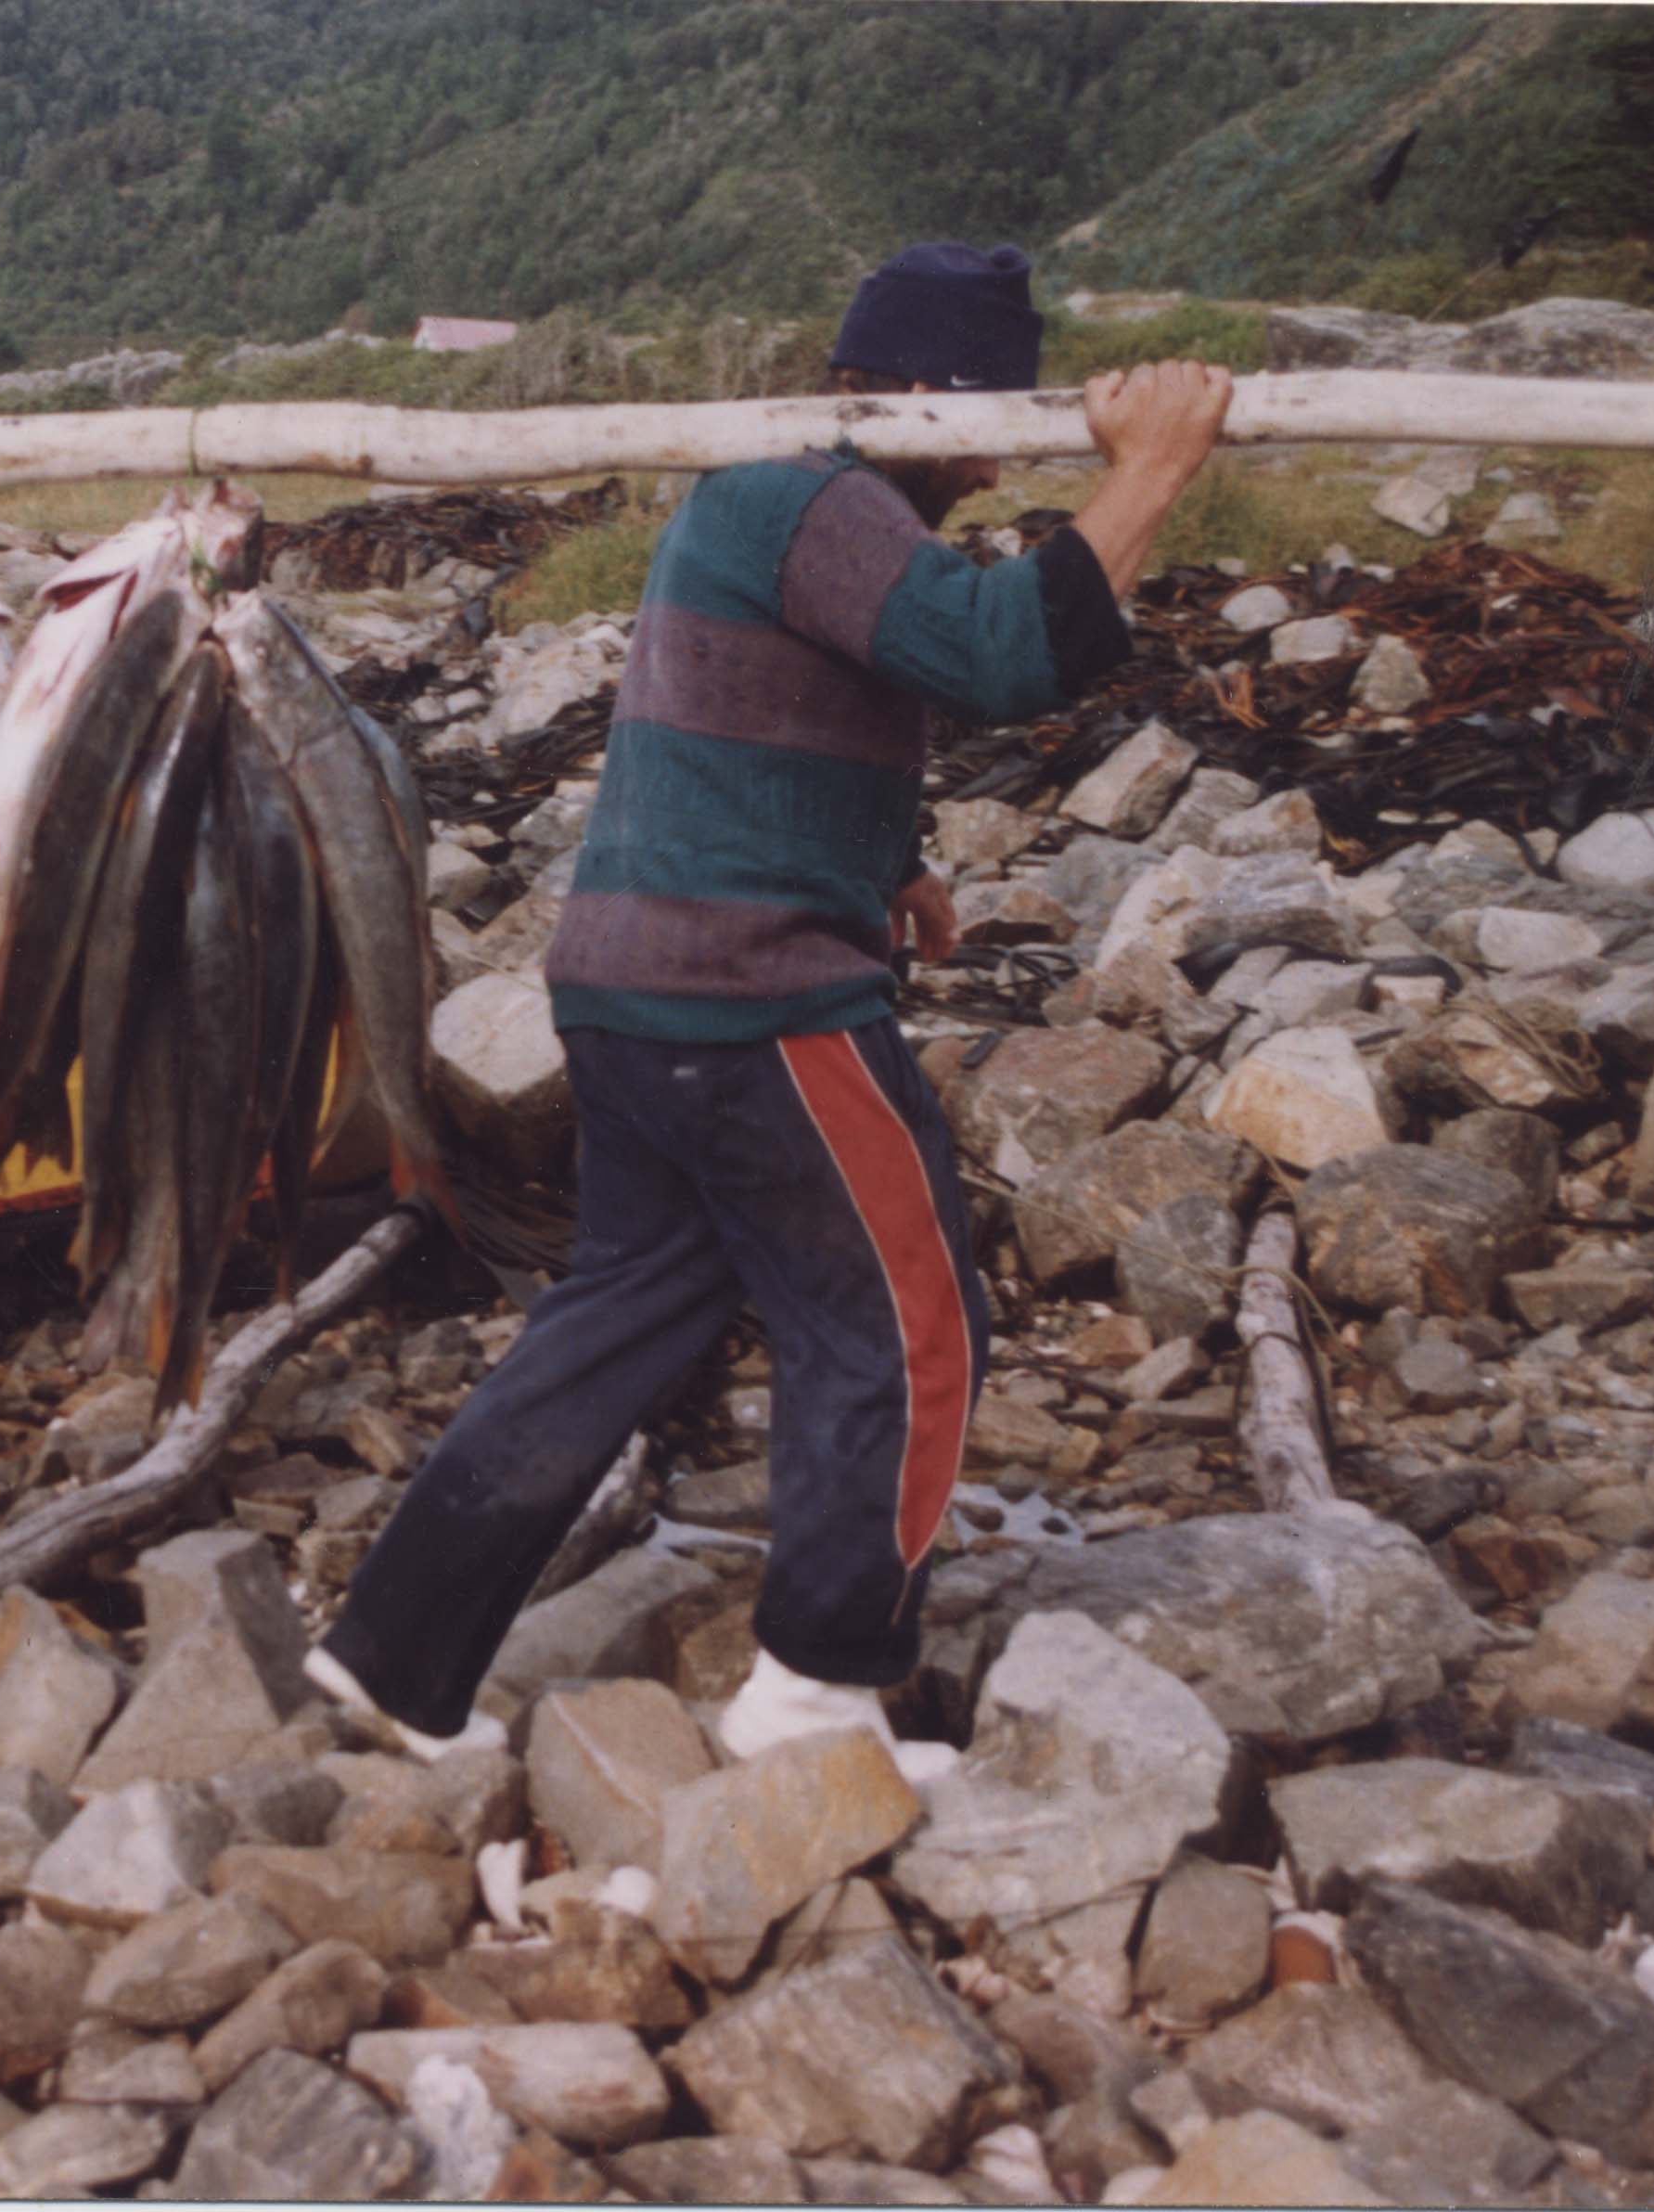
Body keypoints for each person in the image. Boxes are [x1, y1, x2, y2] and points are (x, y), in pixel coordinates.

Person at [309, 243, 1234, 1774]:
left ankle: (390, 1657)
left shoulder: (778, 497)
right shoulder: (818, 496)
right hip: (750, 1000)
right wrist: (1149, 472)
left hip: (628, 988)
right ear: (933, 395)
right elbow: (1005, 655)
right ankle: (815, 1683)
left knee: (620, 1314)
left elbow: (753, 714)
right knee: (906, 1317)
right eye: (996, 408)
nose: (1003, 447)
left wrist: (890, 861)